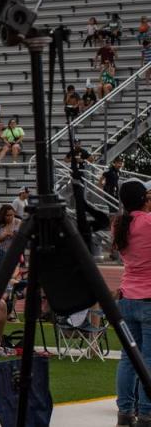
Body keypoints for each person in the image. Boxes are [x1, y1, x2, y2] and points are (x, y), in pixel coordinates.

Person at [113, 179, 151, 425]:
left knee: (128, 358)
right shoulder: (148, 221)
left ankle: (125, 411)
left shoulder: (118, 224)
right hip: (148, 297)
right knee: (149, 358)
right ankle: (147, 412)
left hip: (127, 296)